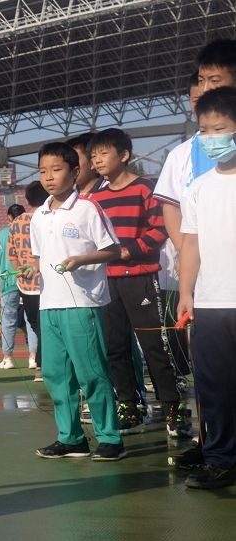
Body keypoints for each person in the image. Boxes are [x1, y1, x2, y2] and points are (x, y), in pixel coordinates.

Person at [27, 142, 124, 461]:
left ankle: (110, 437)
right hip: (49, 305)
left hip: (83, 303)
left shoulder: (87, 208)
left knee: (91, 372)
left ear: (75, 171)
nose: (49, 177)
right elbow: (39, 255)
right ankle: (70, 438)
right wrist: (32, 265)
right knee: (56, 375)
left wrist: (82, 259)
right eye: (43, 171)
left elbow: (112, 250)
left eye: (56, 170)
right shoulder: (39, 215)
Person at [88, 127, 186, 436]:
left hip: (140, 280)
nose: (97, 160)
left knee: (154, 346)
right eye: (93, 155)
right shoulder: (95, 197)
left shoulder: (146, 188)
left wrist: (129, 251)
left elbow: (160, 230)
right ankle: (129, 406)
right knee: (115, 347)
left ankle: (173, 407)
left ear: (124, 155)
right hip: (108, 283)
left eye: (103, 153)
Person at [176, 85, 236, 488]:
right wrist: (186, 292)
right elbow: (191, 244)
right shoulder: (198, 187)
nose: (212, 138)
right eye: (205, 130)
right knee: (214, 386)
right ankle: (221, 459)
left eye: (221, 129)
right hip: (213, 303)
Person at [9, 181, 49, 380]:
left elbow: (11, 254)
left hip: (26, 285)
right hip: (47, 283)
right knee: (47, 327)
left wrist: (19, 273)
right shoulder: (49, 218)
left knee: (35, 325)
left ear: (27, 199)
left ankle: (42, 364)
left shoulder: (16, 222)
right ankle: (43, 364)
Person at [0, 204, 26, 370]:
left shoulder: (2, 234)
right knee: (31, 320)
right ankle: (34, 357)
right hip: (30, 279)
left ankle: (8, 357)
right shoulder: (31, 229)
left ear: (8, 218)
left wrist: (0, 275)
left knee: (8, 320)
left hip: (9, 281)